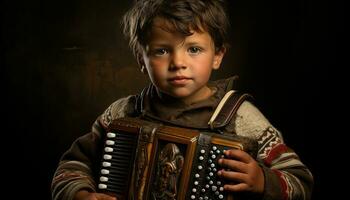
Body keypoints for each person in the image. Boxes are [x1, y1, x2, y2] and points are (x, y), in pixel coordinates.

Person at [51, 0, 313, 200]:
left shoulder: (243, 118)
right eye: (162, 51)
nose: (178, 63)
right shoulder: (122, 112)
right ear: (141, 60)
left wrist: (263, 181)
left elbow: (300, 181)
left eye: (194, 49)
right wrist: (80, 194)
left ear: (218, 55)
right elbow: (73, 165)